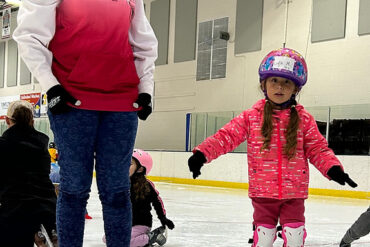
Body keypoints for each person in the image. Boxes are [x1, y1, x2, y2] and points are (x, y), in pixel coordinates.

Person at [13, 0, 158, 246]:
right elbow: (29, 36)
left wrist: (146, 89)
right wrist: (51, 85)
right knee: (74, 190)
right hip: (72, 101)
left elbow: (143, 44)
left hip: (122, 102)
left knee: (117, 191)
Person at [187, 48, 358, 247]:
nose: (280, 87)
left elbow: (317, 148)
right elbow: (227, 136)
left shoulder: (304, 119)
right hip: (263, 193)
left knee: (294, 238)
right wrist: (202, 154)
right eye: (274, 80)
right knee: (264, 238)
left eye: (287, 82)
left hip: (293, 193)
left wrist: (332, 168)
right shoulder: (251, 117)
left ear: (295, 89)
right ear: (264, 84)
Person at [0, 100, 58, 247]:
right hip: (48, 207)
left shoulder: (3, 145)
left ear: (7, 120)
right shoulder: (42, 145)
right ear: (32, 122)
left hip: (14, 211)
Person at [104, 149, 175, 247]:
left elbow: (157, 201)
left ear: (140, 169)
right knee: (107, 239)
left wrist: (163, 218)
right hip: (126, 223)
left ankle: (151, 237)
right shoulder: (122, 183)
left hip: (141, 224)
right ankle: (140, 239)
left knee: (125, 243)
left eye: (129, 164)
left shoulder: (146, 185)